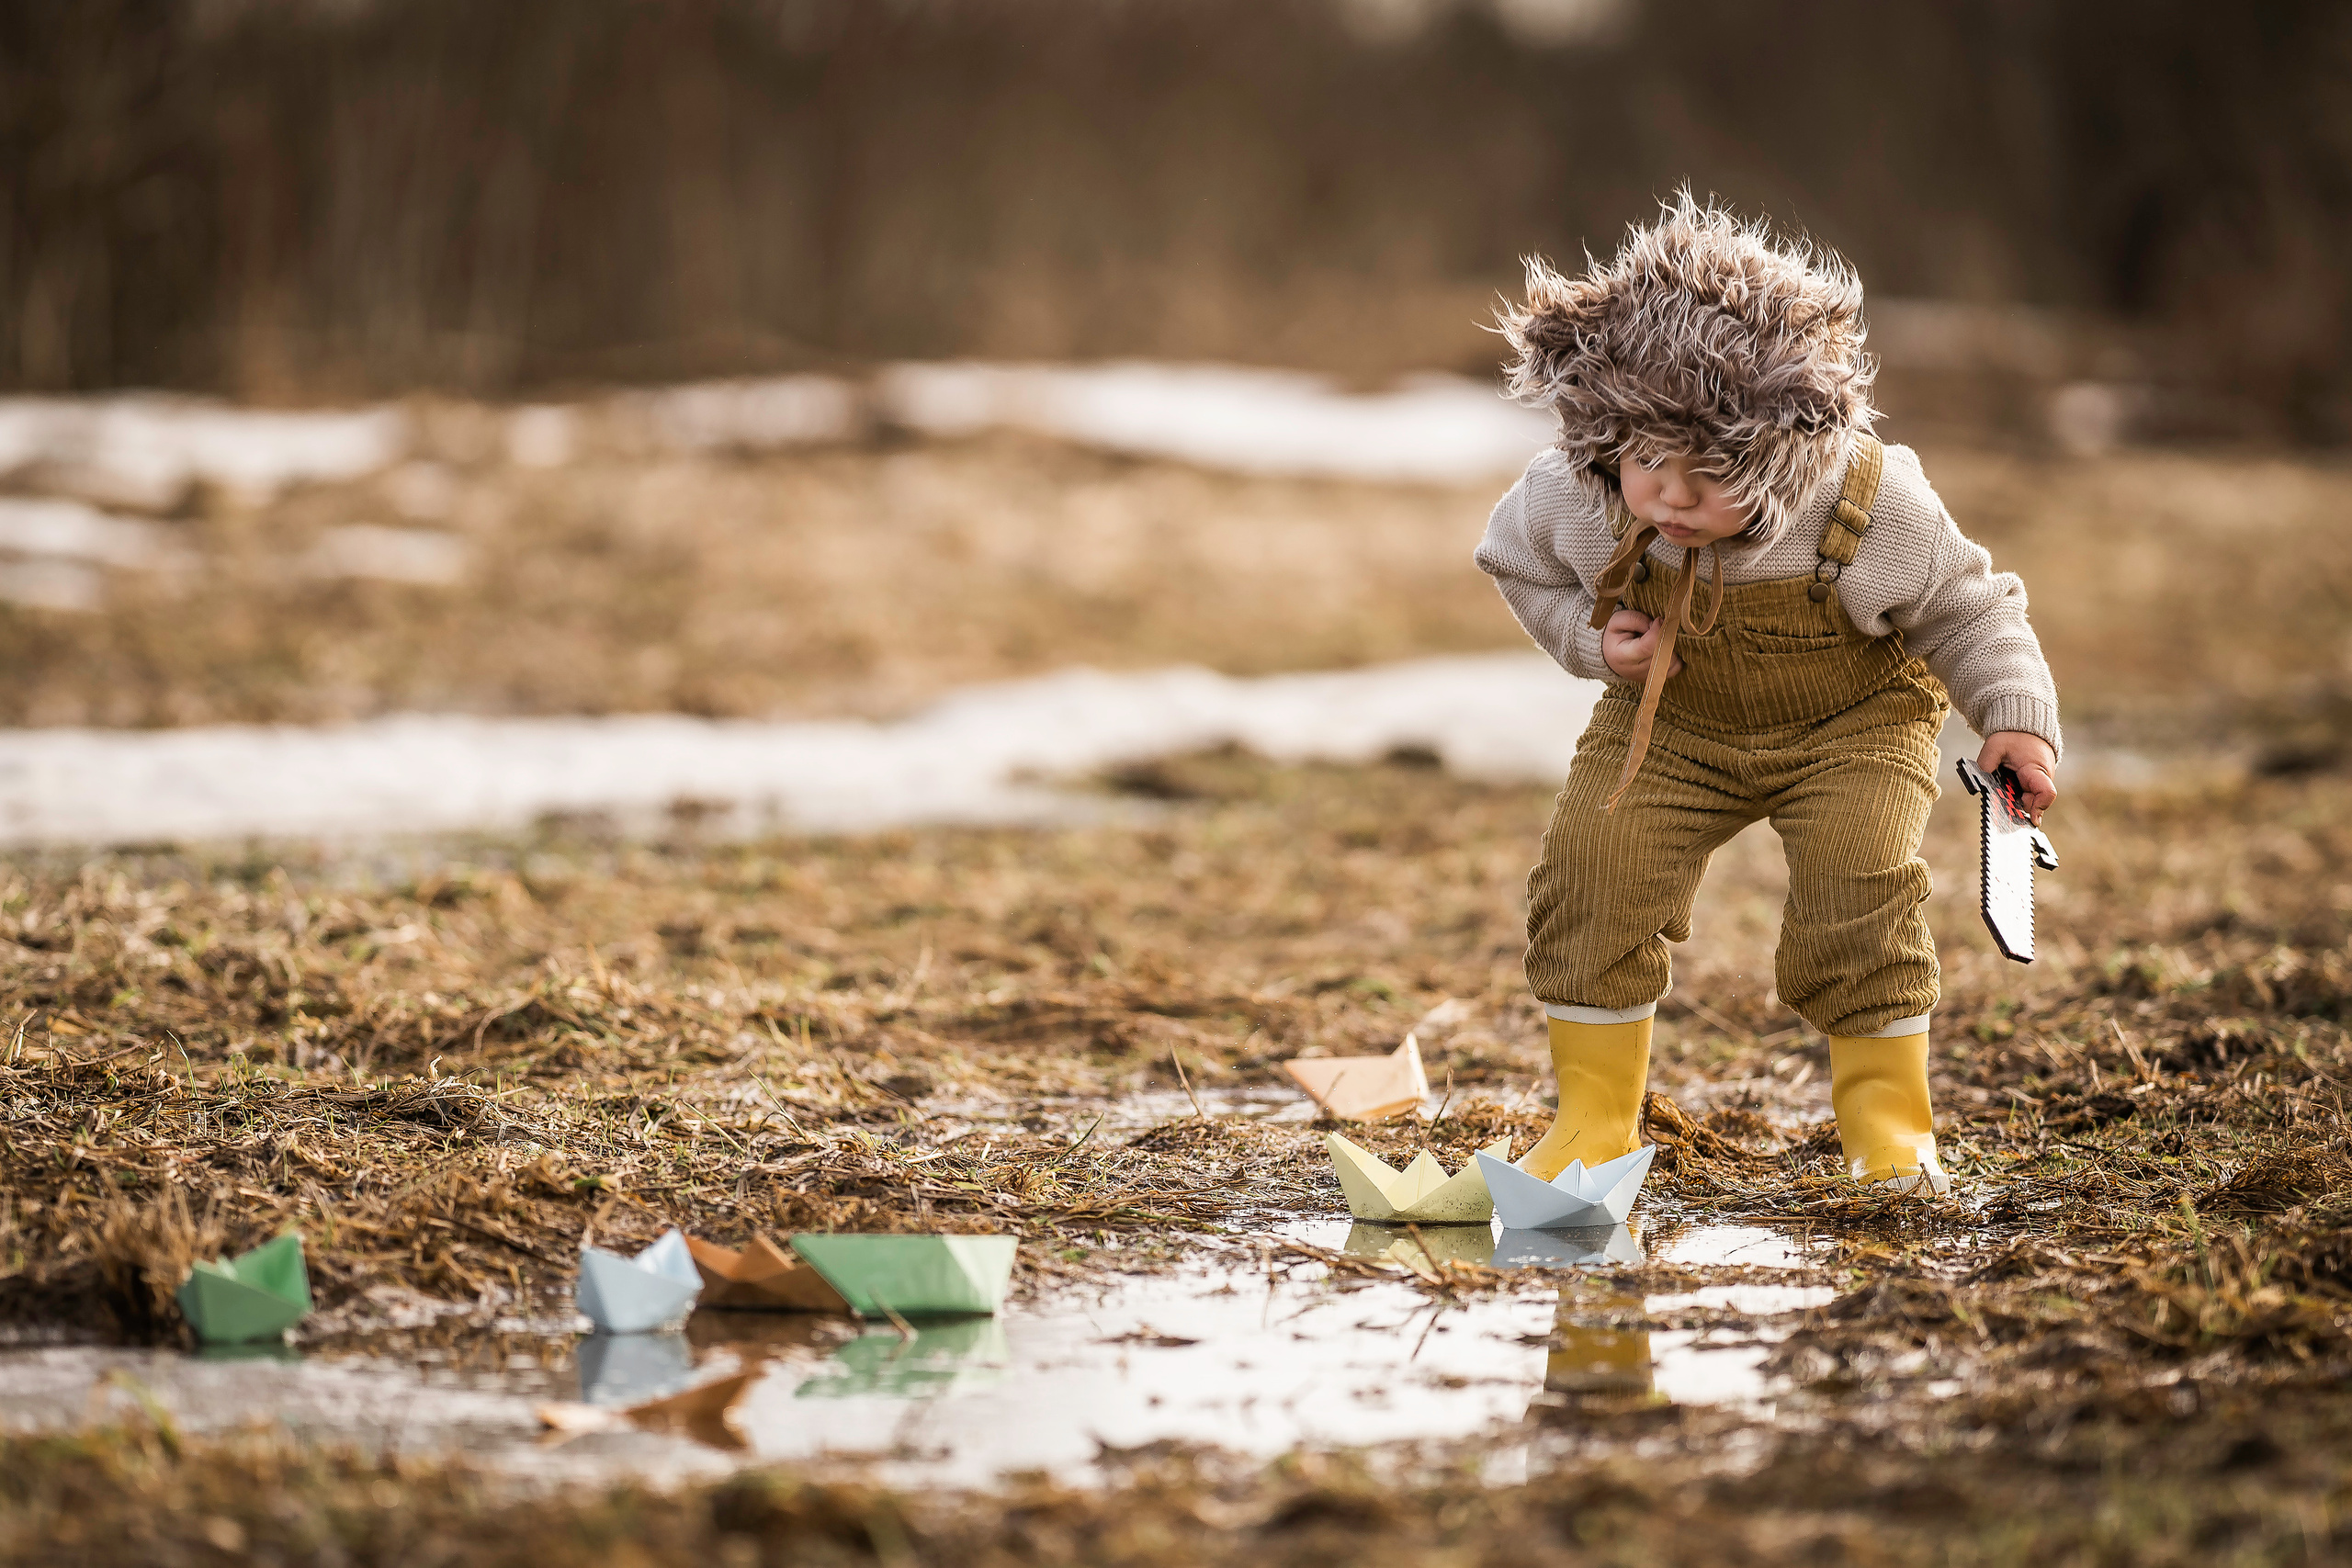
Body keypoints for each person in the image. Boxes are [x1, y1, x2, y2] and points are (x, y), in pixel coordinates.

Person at [1475, 193, 2060, 1195]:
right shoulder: (1576, 491)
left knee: (1856, 887)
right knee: (1593, 872)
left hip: (1852, 726)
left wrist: (2014, 717)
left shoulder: (1869, 502)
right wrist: (1587, 638)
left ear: (1783, 447)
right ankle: (1592, 1128)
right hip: (1672, 723)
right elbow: (1512, 561)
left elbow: (1969, 608)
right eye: (1648, 461)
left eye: (1711, 472)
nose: (1672, 497)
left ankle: (1888, 1132)